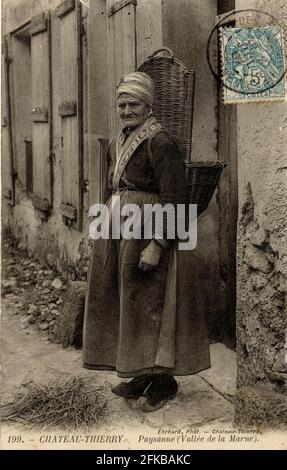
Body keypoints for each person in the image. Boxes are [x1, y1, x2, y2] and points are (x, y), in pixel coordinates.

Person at [83, 72, 210, 412]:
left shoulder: (160, 142)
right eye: (122, 104)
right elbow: (113, 189)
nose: (126, 110)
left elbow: (176, 198)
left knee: (155, 302)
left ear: (148, 105)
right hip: (121, 228)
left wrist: (157, 244)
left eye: (133, 104)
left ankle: (164, 381)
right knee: (130, 302)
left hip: (149, 229)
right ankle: (140, 373)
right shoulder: (118, 142)